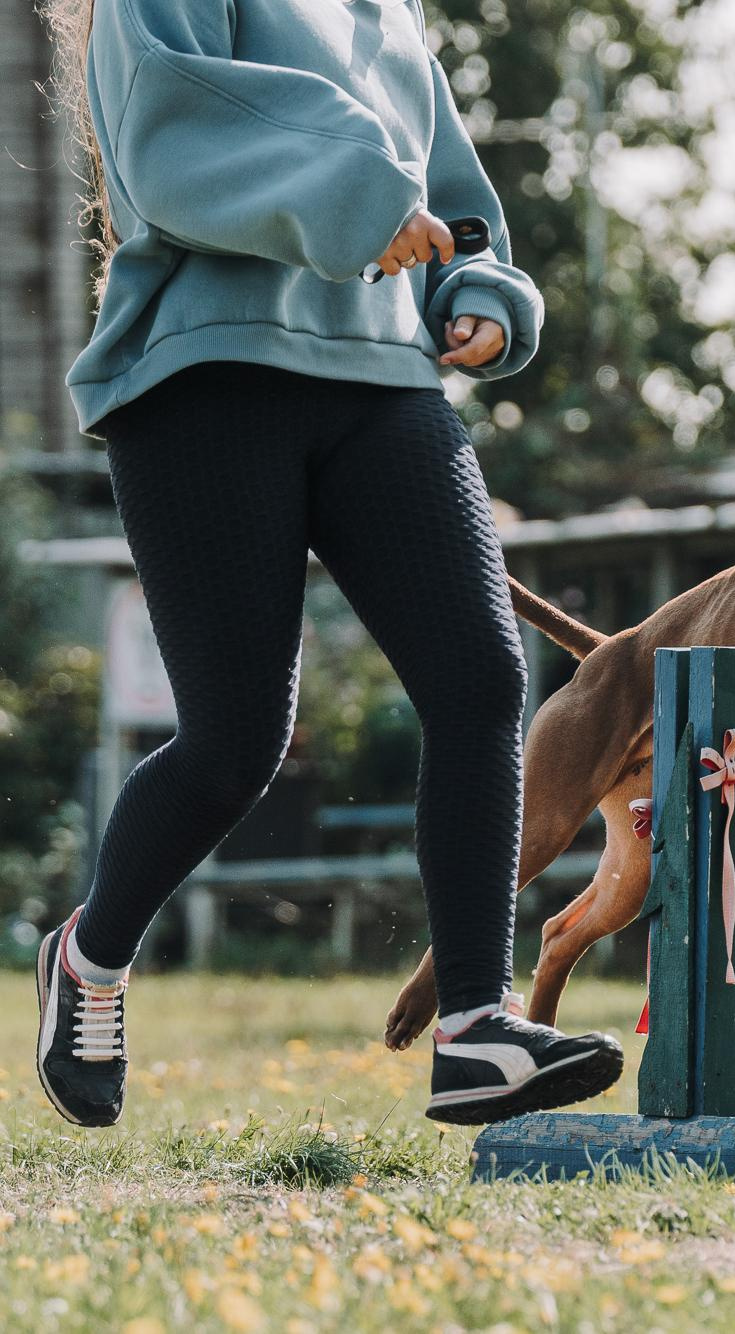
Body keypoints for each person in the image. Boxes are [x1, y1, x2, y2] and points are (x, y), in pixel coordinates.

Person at [35, 0, 622, 1127]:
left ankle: (475, 1026)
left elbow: (458, 209)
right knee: (236, 740)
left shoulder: (388, 14)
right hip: (206, 378)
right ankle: (90, 954)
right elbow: (170, 139)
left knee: (479, 678)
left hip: (385, 384)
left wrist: (483, 300)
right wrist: (364, 195)